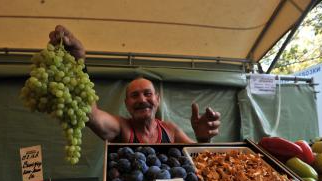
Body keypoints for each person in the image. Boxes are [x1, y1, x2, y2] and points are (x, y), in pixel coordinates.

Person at [49, 25, 221, 143]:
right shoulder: (121, 127)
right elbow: (91, 115)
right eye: (134, 95)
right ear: (126, 104)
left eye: (147, 93)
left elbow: (198, 161)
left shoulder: (170, 131)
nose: (142, 99)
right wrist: (78, 62)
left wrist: (203, 138)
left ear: (157, 99)